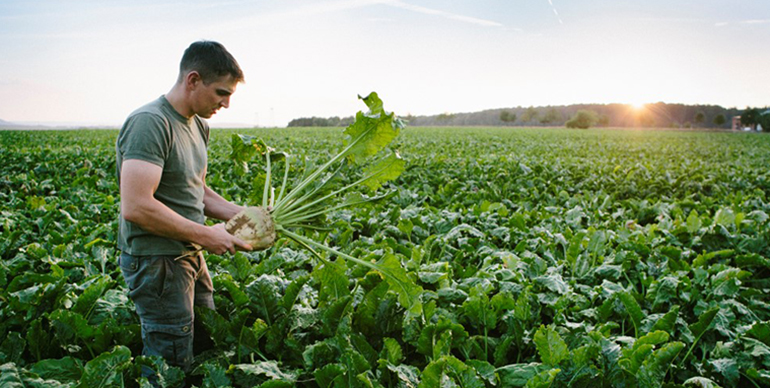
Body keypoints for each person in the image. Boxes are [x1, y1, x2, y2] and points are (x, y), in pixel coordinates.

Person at [115, 41, 256, 384]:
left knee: (205, 339)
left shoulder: (198, 125)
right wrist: (208, 235)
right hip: (157, 260)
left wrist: (244, 217)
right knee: (170, 359)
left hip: (188, 252)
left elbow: (197, 190)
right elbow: (136, 206)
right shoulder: (150, 122)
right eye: (221, 92)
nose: (226, 103)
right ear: (193, 80)